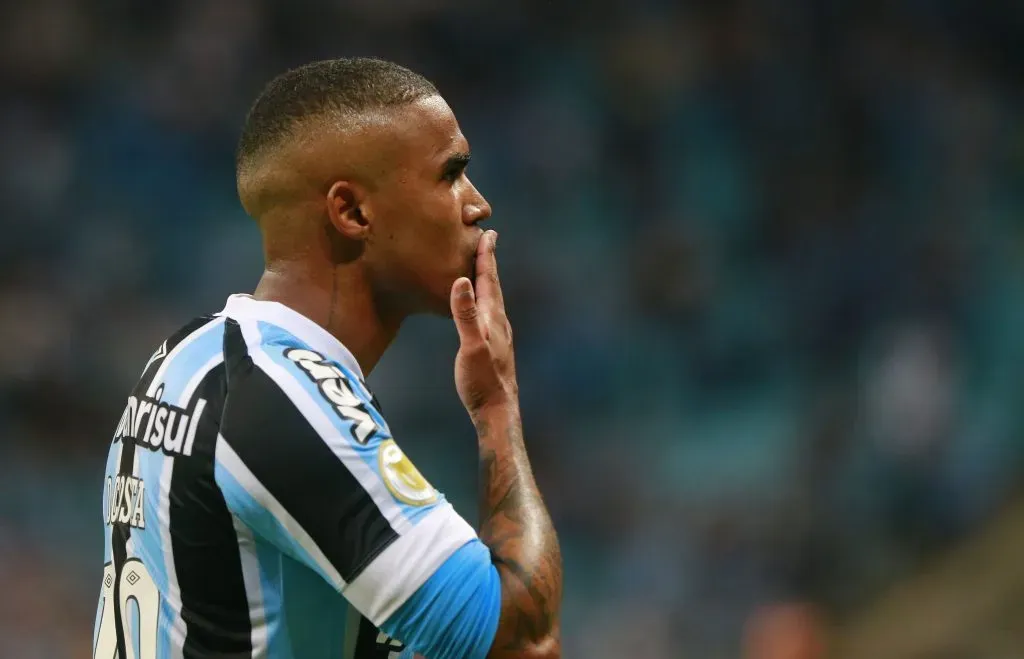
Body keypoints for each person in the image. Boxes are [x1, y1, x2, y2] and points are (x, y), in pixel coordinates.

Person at [93, 57, 562, 659]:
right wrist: (497, 407)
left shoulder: (186, 357)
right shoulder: (281, 397)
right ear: (352, 213)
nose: (479, 205)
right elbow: (522, 640)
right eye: (451, 176)